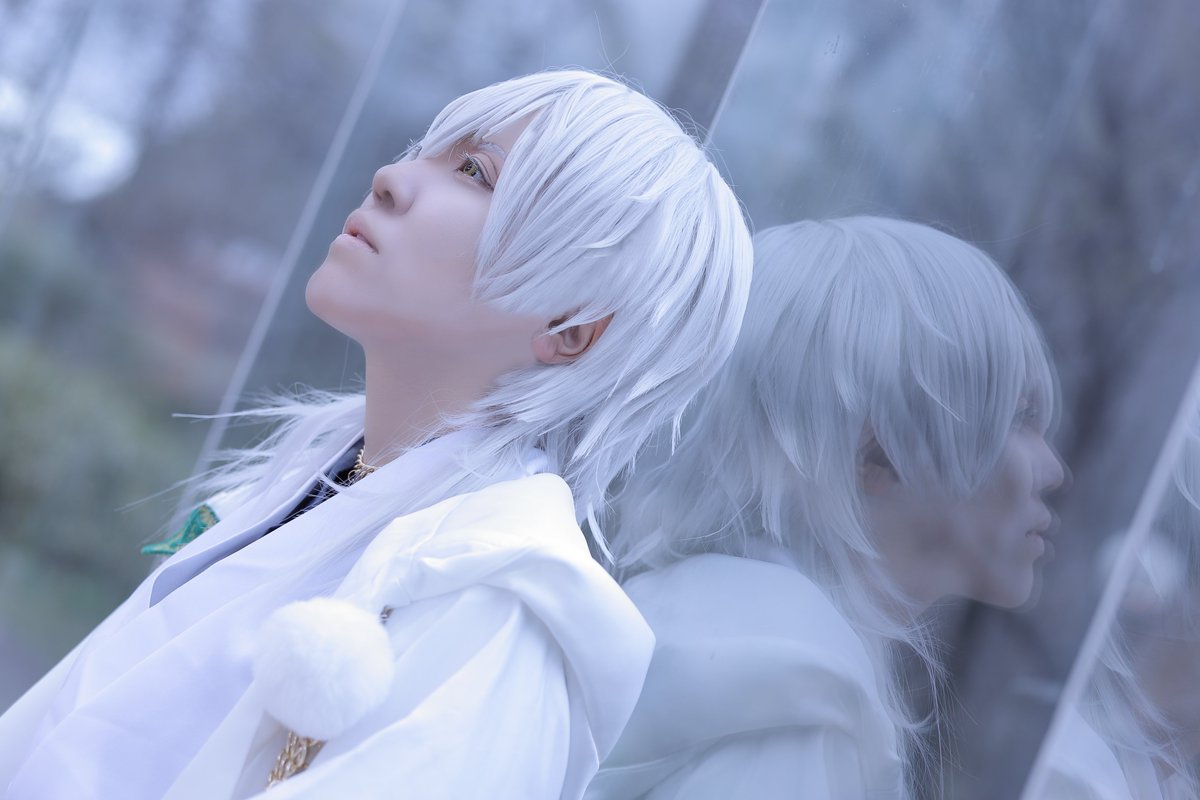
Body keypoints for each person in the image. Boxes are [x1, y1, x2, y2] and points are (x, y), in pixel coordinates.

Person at [0, 69, 752, 799]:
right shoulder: (310, 487)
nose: (392, 178)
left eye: (476, 173)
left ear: (571, 328)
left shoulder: (498, 614)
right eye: (426, 149)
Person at [587, 216, 1065, 799]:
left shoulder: (706, 625)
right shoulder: (794, 692)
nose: (1053, 471)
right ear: (882, 452)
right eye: (1017, 419)